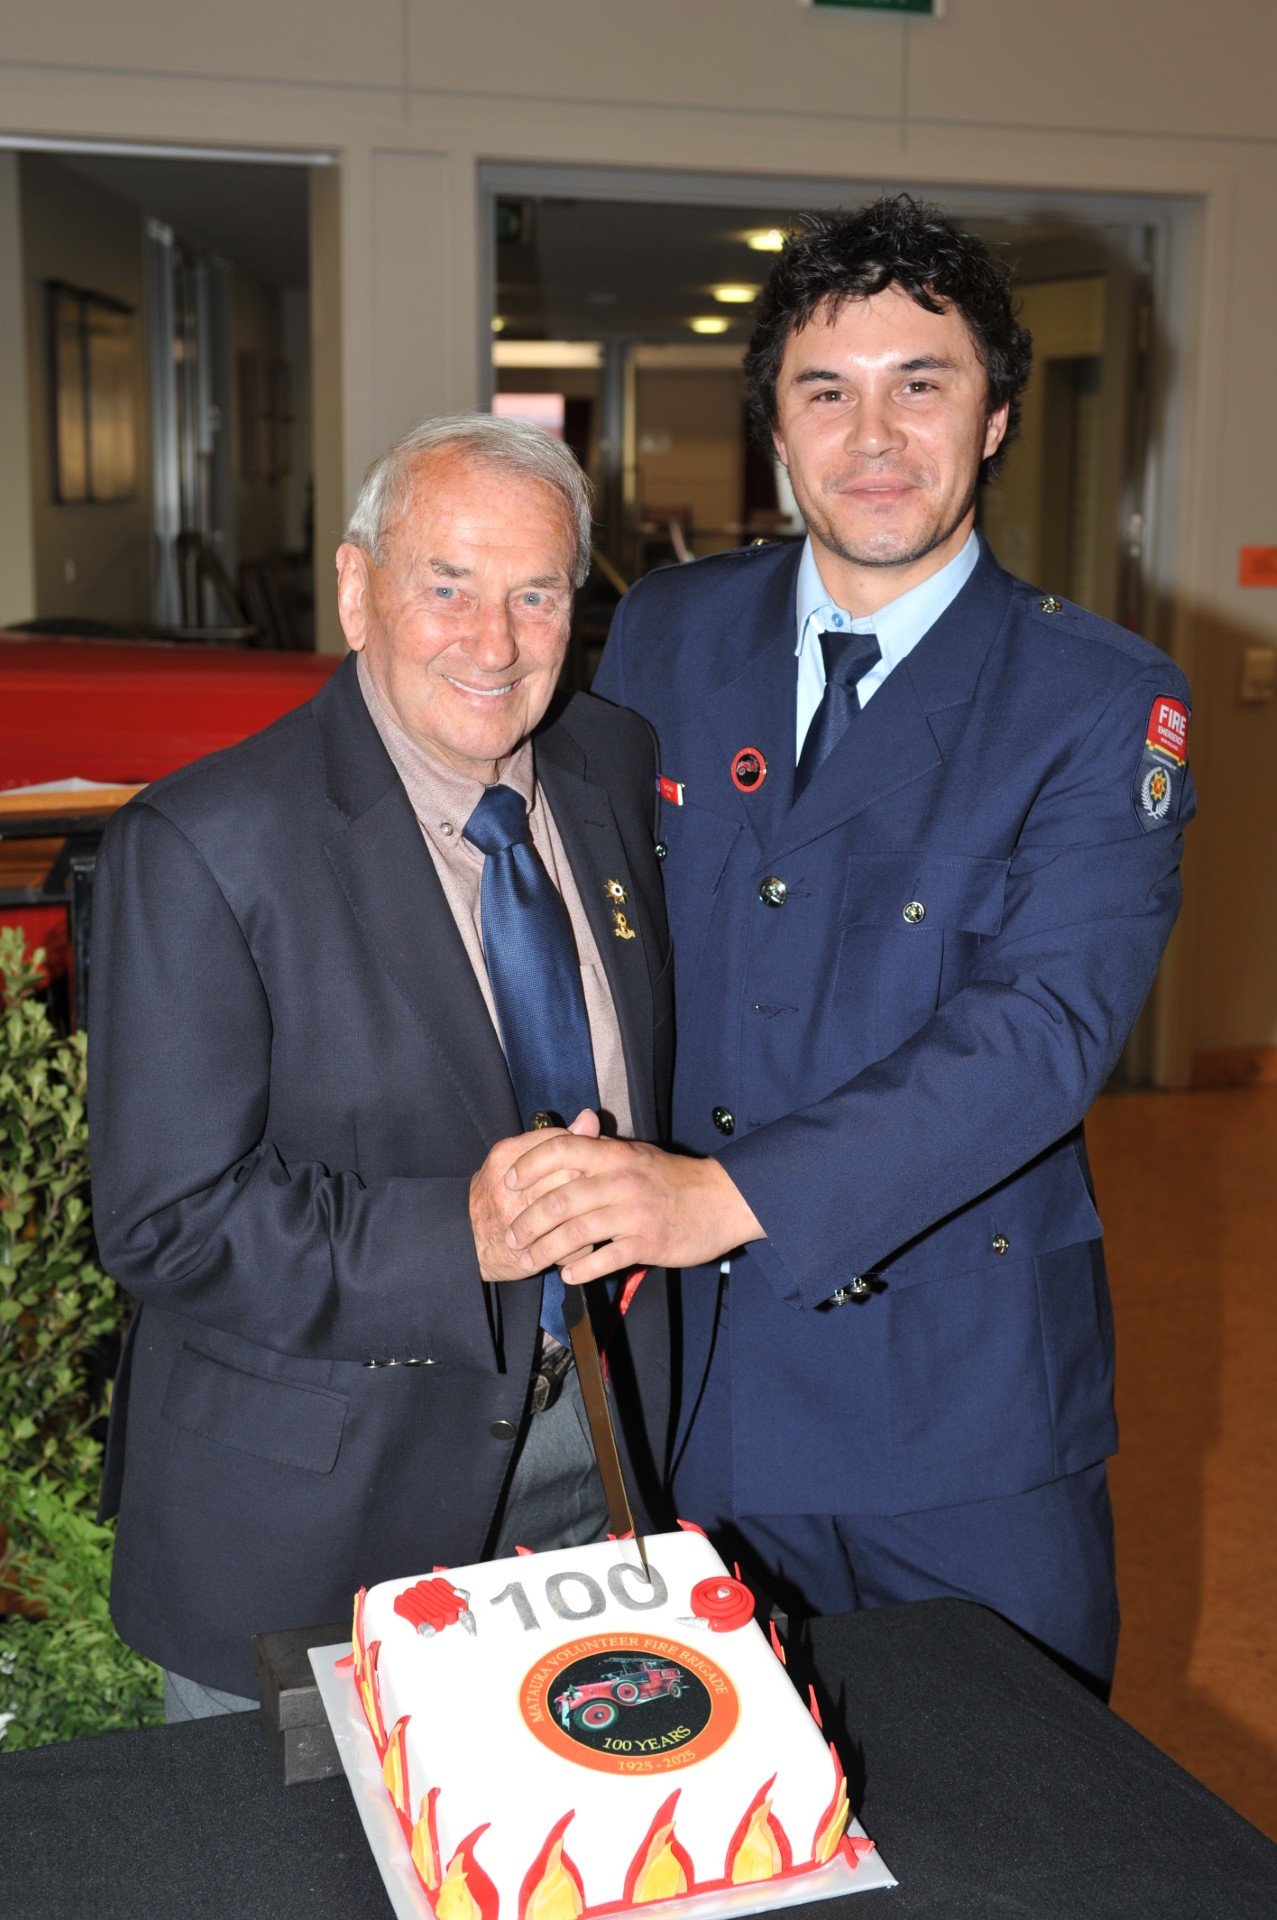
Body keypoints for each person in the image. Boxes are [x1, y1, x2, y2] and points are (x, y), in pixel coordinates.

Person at [498, 196, 1194, 1693]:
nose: (872, 436)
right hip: (693, 1385)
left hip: (952, 1401)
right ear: (775, 429)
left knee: (1017, 1824)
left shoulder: (1098, 699)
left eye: (919, 383)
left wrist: (720, 1197)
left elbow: (1039, 1036)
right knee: (715, 1808)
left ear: (995, 416)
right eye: (827, 390)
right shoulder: (674, 628)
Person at [89, 414, 673, 1716]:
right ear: (357, 590)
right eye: (446, 585)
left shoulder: (610, 766)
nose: (494, 640)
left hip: (595, 1454)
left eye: (534, 594)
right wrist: (452, 1233)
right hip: (312, 1518)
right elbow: (163, 1222)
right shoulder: (203, 845)